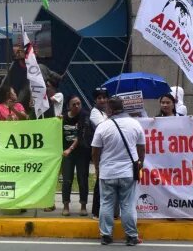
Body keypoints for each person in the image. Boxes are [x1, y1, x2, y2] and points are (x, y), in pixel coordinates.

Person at [91, 97, 144, 246]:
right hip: (128, 172)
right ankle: (131, 236)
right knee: (127, 204)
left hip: (107, 172)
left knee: (106, 203)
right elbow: (141, 147)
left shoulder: (103, 127)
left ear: (110, 109)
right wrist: (141, 163)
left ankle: (106, 236)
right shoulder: (135, 124)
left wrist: (97, 167)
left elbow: (95, 151)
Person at [61, 96, 91, 217]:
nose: (77, 106)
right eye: (74, 104)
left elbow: (81, 135)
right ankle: (66, 205)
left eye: (79, 104)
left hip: (81, 152)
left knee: (82, 179)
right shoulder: (63, 117)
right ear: (69, 106)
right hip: (67, 154)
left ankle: (83, 205)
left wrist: (70, 148)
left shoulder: (85, 115)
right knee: (67, 179)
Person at [88, 87, 110, 218]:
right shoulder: (95, 113)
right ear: (95, 100)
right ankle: (96, 211)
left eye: (104, 97)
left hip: (108, 151)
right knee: (100, 182)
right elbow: (104, 127)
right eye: (99, 98)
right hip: (100, 151)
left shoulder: (106, 113)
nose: (102, 100)